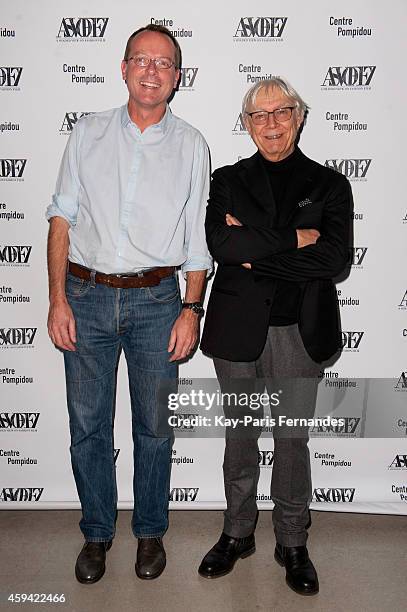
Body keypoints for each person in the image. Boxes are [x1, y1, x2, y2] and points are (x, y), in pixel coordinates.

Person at [46, 24, 211, 584]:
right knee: (88, 425)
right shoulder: (87, 133)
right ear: (123, 68)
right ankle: (96, 533)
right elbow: (61, 218)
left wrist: (191, 310)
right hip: (85, 297)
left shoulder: (192, 144)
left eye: (163, 63)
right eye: (141, 59)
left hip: (159, 302)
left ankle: (149, 532)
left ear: (177, 78)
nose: (150, 70)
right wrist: (56, 299)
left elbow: (196, 239)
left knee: (154, 428)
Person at [199, 78, 352, 595]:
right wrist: (294, 240)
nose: (270, 124)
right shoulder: (226, 179)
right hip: (237, 327)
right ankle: (237, 532)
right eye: (258, 115)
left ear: (299, 117)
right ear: (245, 123)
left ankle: (292, 540)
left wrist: (256, 250)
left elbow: (333, 258)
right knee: (240, 437)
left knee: (291, 440)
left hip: (297, 332)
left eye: (281, 112)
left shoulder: (330, 184)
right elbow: (222, 242)